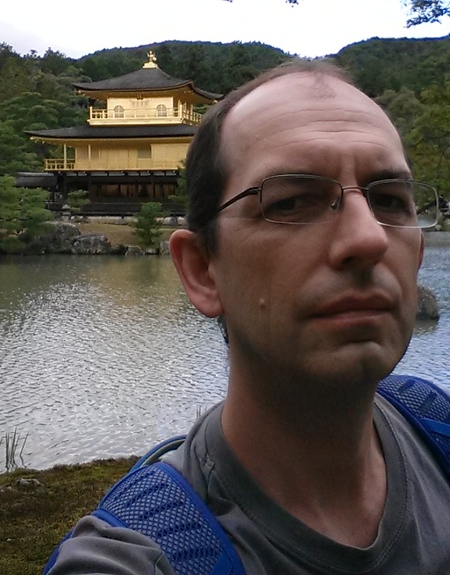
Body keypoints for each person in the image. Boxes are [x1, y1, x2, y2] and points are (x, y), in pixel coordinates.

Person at [45, 60, 450, 574]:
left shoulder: (436, 427)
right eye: (292, 201)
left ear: (418, 255)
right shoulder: (143, 556)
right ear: (202, 271)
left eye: (389, 200)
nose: (369, 237)